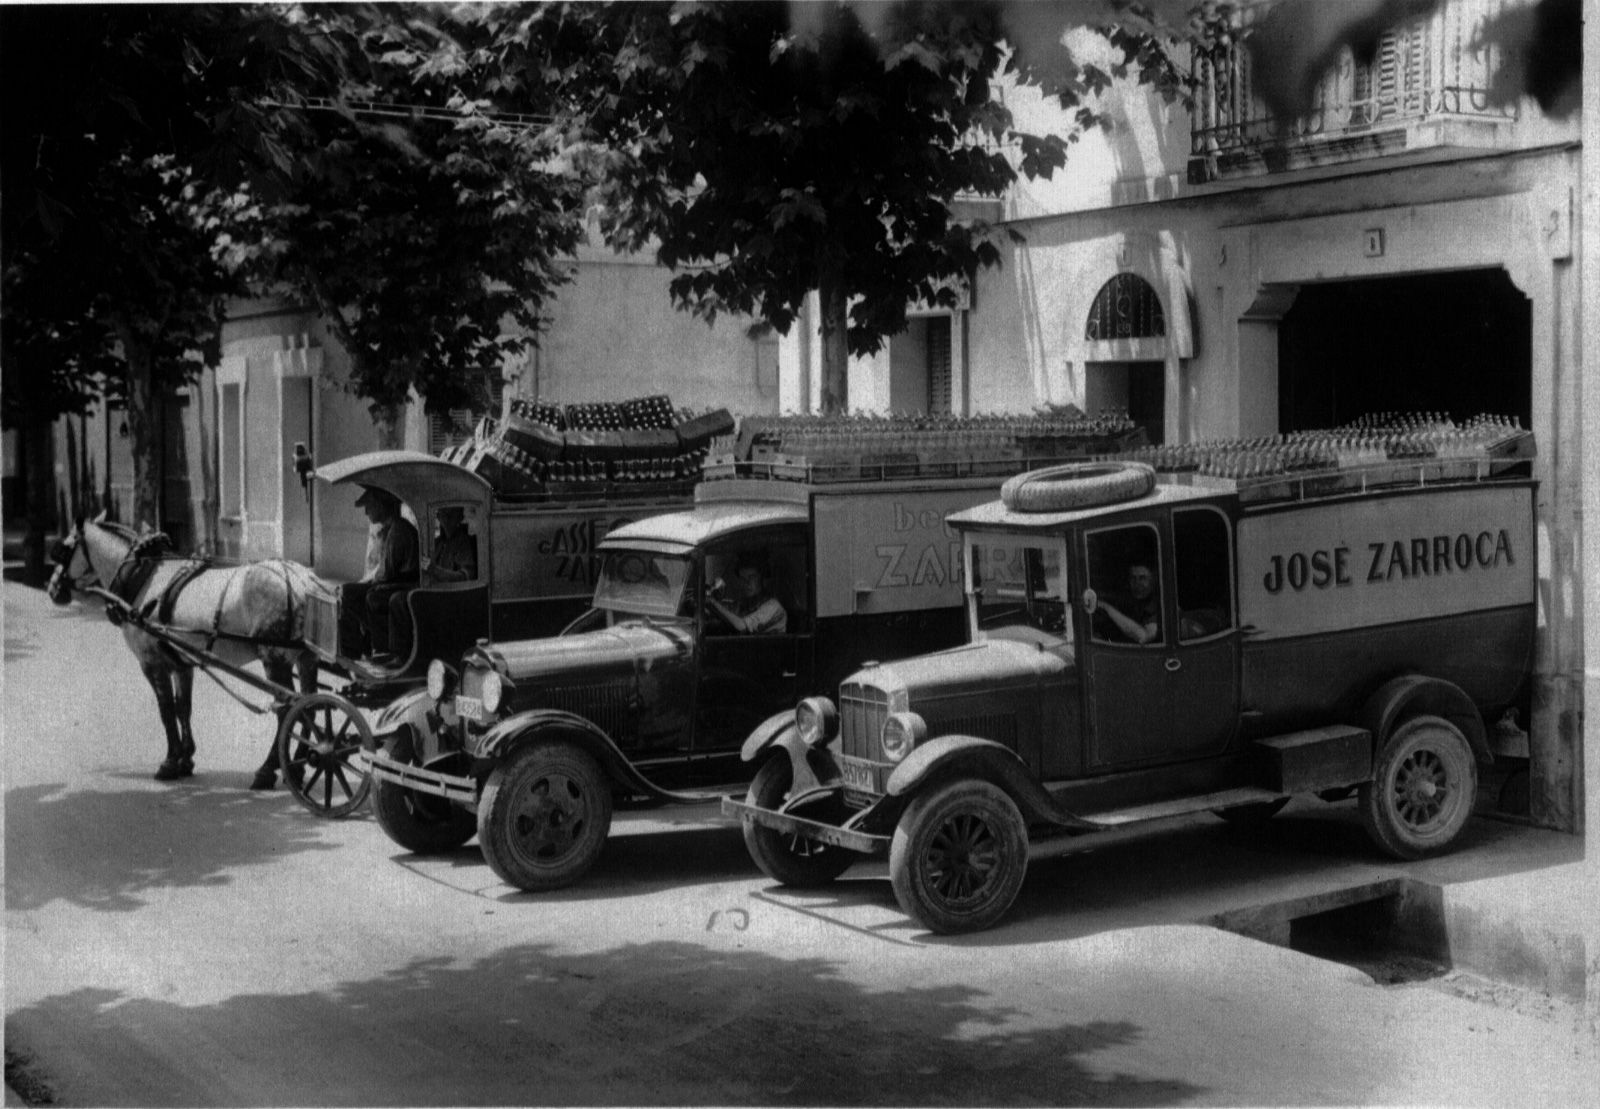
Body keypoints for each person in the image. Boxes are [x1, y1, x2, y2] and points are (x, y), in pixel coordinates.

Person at [383, 506, 478, 663]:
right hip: (434, 591)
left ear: (459, 518)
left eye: (451, 516)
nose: (446, 520)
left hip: (451, 596)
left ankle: (403, 656)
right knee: (387, 596)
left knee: (399, 600)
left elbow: (465, 576)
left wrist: (436, 571)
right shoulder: (437, 543)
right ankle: (387, 651)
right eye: (442, 515)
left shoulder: (463, 543)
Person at [338, 486, 418, 661]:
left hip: (404, 584)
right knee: (350, 591)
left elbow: (385, 573)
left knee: (362, 595)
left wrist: (366, 584)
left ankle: (374, 648)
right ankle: (366, 645)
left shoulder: (398, 530)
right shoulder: (391, 529)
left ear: (382, 505)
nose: (366, 511)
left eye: (370, 505)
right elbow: (381, 570)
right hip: (396, 581)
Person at [705, 555, 787, 635]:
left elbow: (742, 628)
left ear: (762, 578)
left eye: (752, 577)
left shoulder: (773, 606)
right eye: (742, 578)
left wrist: (712, 602)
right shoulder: (743, 604)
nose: (746, 583)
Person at [1092, 560, 1161, 644]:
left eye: (1142, 578)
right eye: (1133, 578)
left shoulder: (1162, 604)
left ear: (1154, 580)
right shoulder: (1129, 602)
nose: (1137, 583)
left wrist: (1106, 607)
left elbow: (1144, 636)